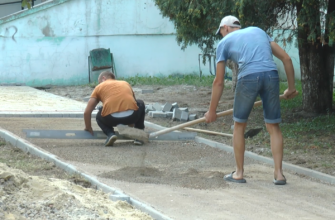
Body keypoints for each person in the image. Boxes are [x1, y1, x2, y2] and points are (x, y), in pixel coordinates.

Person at [204, 15, 298, 185]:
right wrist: (291, 88)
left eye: (221, 32)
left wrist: (212, 111)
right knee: (273, 126)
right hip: (271, 75)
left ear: (225, 28)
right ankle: (279, 174)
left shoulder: (223, 43)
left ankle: (239, 173)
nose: (222, 36)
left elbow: (218, 82)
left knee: (239, 126)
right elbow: (286, 59)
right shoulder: (259, 31)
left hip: (248, 77)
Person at [84, 70, 145, 146]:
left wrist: (88, 127)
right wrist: (131, 123)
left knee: (99, 114)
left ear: (103, 78)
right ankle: (139, 136)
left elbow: (87, 112)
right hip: (131, 116)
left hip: (111, 119)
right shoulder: (125, 83)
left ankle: (110, 134)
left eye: (99, 82)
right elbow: (134, 105)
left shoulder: (99, 87)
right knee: (140, 103)